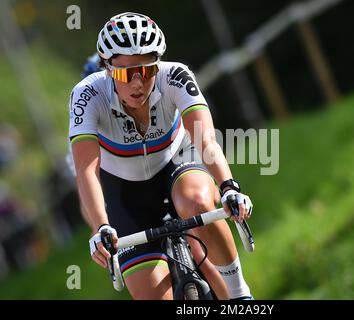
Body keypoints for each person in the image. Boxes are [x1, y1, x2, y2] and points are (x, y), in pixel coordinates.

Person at [67, 12, 254, 300]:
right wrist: (101, 227)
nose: (137, 83)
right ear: (106, 67)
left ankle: (240, 295)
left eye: (147, 70)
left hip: (176, 161)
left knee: (197, 203)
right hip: (124, 190)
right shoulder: (87, 95)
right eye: (125, 73)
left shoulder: (175, 75)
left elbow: (205, 140)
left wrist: (228, 187)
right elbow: (86, 171)